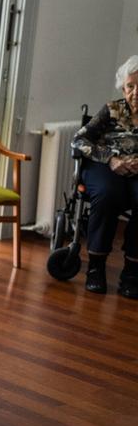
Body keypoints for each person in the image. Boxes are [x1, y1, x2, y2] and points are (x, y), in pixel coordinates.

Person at [72, 55, 138, 298]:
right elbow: (79, 140)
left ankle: (132, 273)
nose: (135, 92)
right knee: (107, 194)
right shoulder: (112, 110)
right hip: (105, 165)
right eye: (131, 86)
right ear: (123, 87)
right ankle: (96, 268)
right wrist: (111, 159)